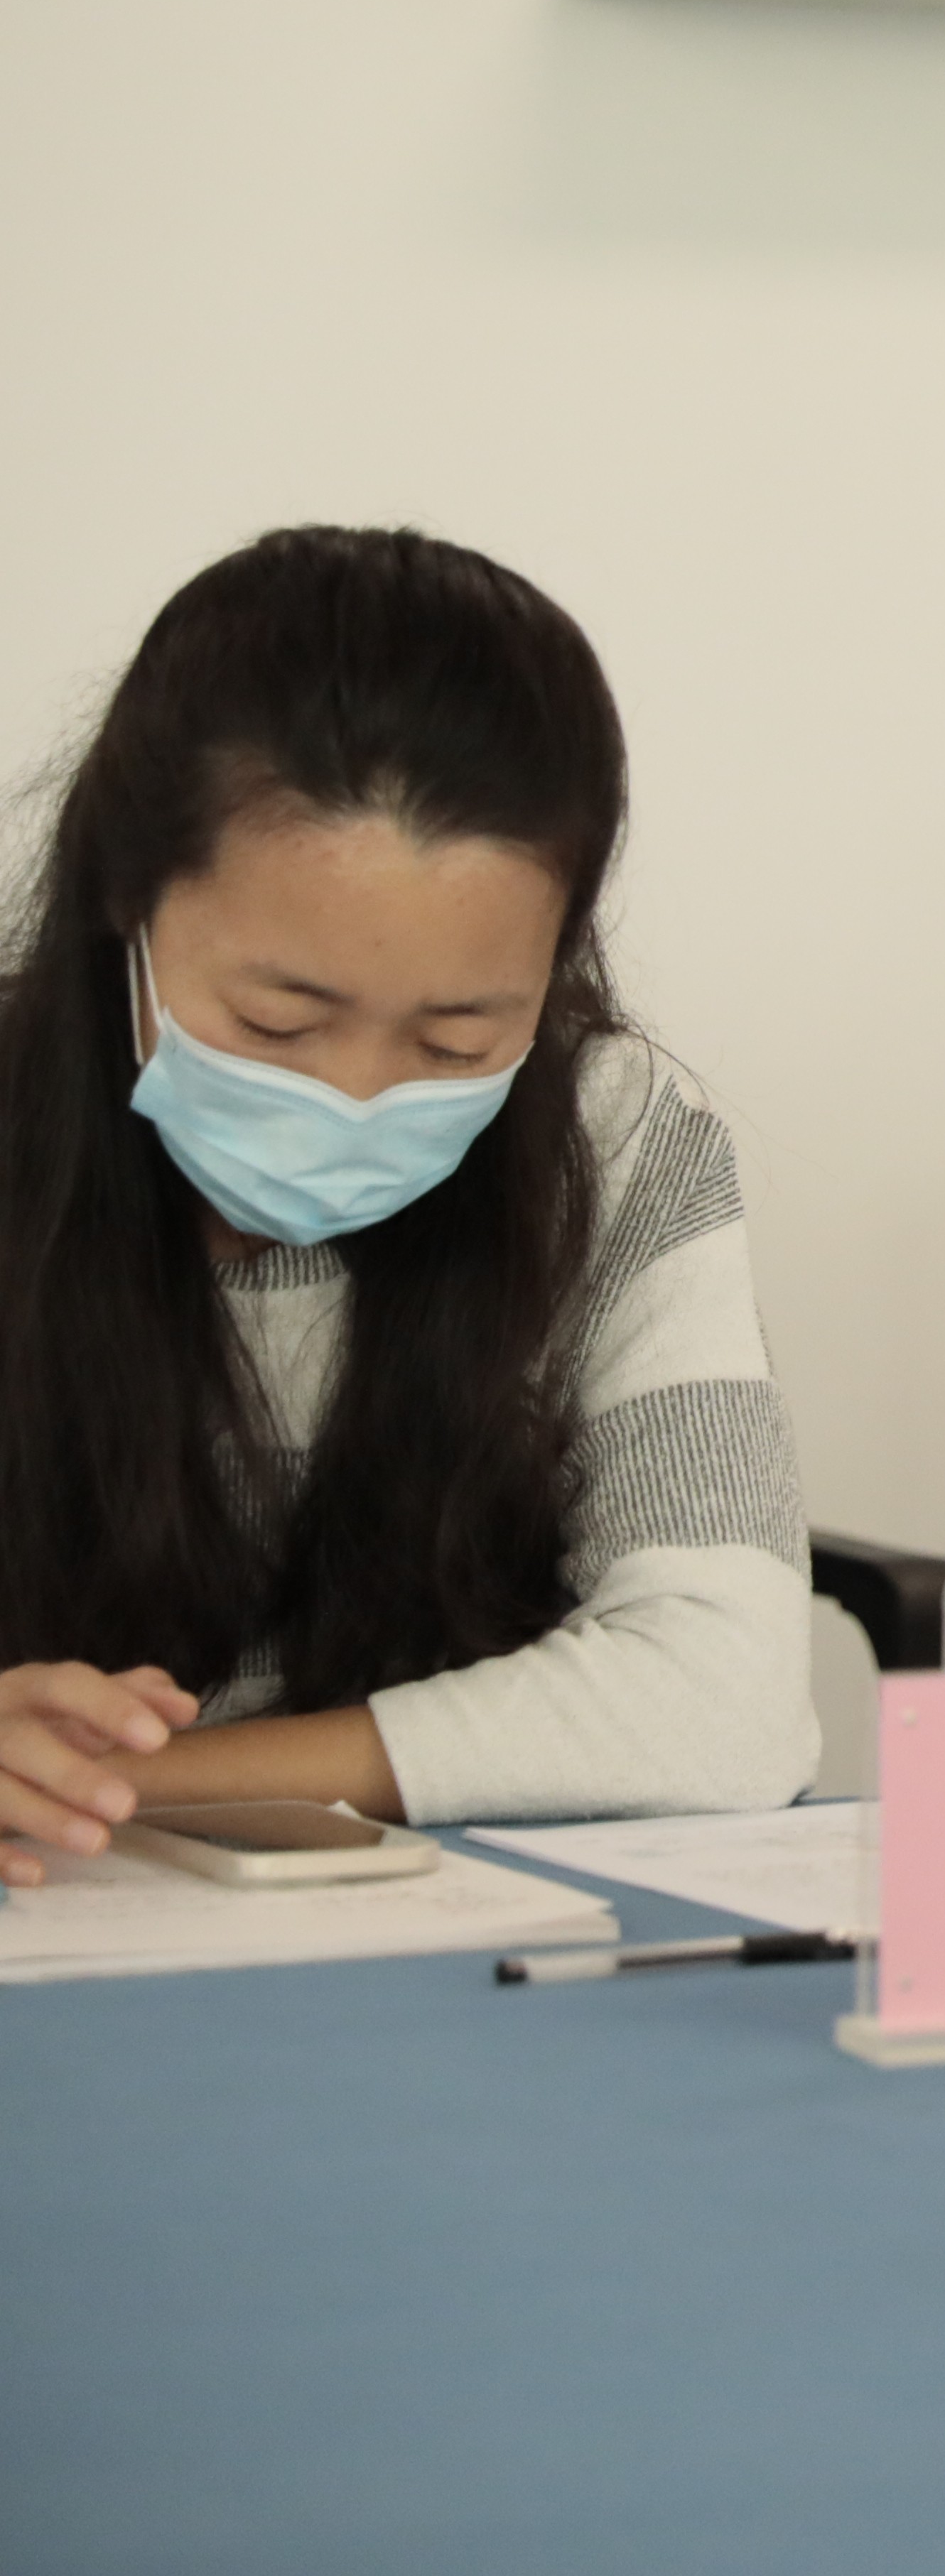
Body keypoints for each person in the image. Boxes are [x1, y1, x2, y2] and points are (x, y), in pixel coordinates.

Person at [0, 530, 816, 1884]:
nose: (357, 1097)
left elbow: (728, 1702)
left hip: (460, 1919)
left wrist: (119, 1785)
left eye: (455, 1041)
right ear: (124, 897)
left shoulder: (614, 1141)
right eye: (278, 1023)